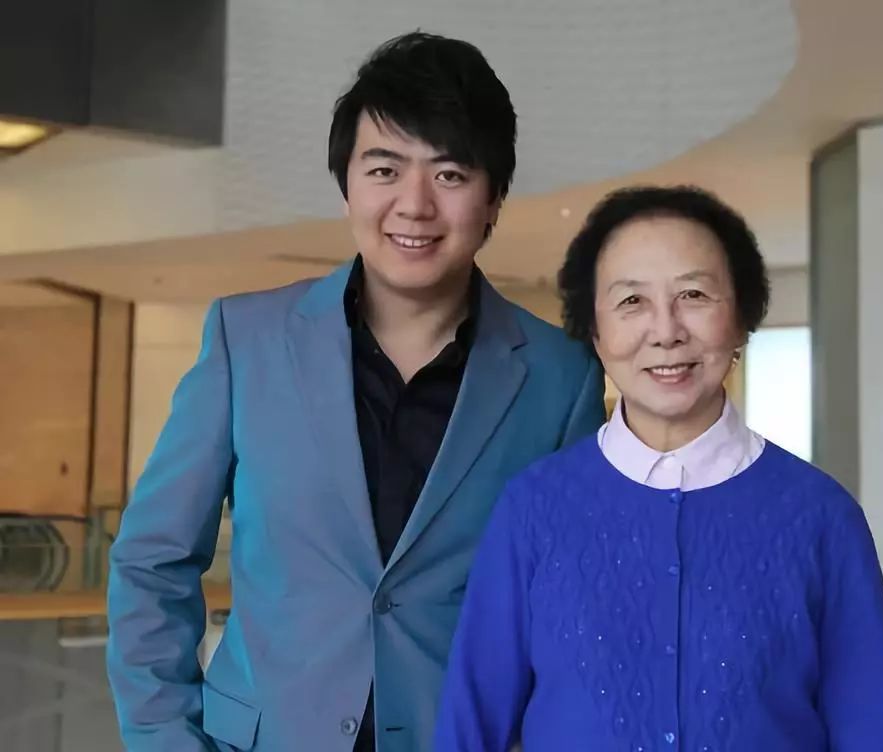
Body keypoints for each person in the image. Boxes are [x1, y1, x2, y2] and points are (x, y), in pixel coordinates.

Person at [106, 32, 606, 752]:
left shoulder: (561, 378)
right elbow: (153, 563)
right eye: (384, 169)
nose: (414, 205)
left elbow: (571, 610)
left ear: (494, 197)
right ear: (347, 184)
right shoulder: (247, 342)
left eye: (450, 174)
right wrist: (166, 739)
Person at [435, 185, 883, 751]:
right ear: (594, 329)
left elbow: (872, 728)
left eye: (694, 294)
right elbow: (470, 723)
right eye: (631, 301)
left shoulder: (822, 516)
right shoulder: (532, 507)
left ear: (742, 317)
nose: (665, 331)